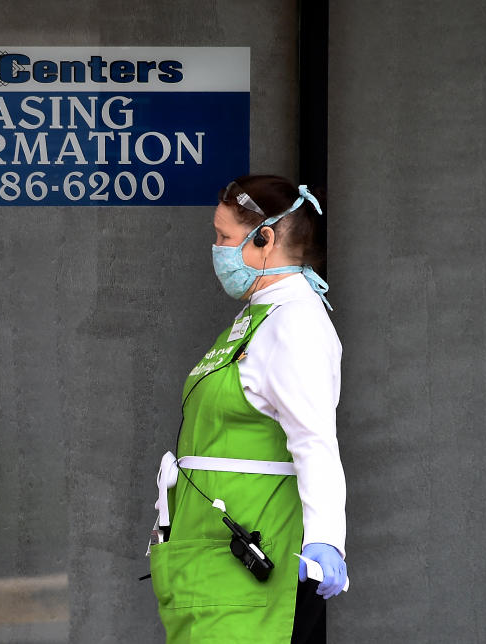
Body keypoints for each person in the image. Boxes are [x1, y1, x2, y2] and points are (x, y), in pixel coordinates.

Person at [149, 175, 347, 643]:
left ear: (266, 239)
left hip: (255, 553)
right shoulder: (258, 317)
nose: (216, 249)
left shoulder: (295, 321)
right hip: (213, 556)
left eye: (224, 237)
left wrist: (326, 538)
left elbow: (313, 440)